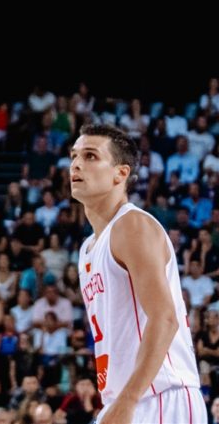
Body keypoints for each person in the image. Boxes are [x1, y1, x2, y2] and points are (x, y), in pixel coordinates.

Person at [70, 123, 201, 423]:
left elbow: (164, 317)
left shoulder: (132, 225)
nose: (76, 164)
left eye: (90, 156)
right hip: (126, 397)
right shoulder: (89, 247)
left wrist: (128, 399)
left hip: (160, 396)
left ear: (121, 173)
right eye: (74, 155)